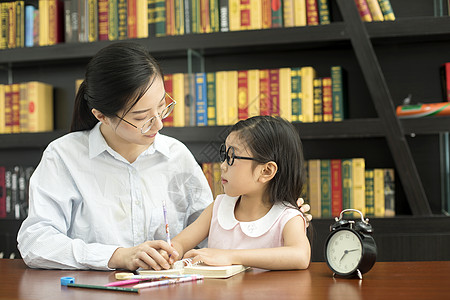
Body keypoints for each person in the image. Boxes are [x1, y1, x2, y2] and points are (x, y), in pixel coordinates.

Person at [17, 42, 311, 271]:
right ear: (101, 116)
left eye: (163, 106)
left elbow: (213, 234)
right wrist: (117, 256)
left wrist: (271, 213)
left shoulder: (176, 156)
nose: (159, 124)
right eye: (142, 117)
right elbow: (35, 243)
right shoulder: (65, 157)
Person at [168, 116, 311, 270]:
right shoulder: (218, 207)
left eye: (232, 158)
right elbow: (180, 243)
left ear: (266, 171)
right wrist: (169, 252)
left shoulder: (287, 217)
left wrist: (229, 256)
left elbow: (300, 256)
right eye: (225, 156)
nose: (222, 166)